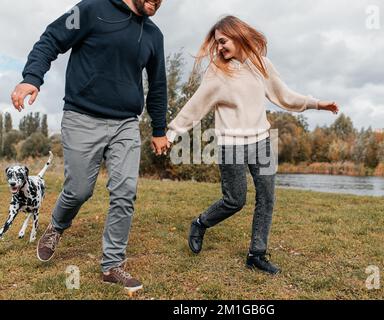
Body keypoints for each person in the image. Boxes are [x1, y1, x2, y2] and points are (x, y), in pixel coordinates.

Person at [10, 0, 168, 293]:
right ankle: (57, 225)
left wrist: (159, 129)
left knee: (125, 191)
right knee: (79, 189)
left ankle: (112, 265)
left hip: (125, 123)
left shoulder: (153, 35)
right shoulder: (92, 9)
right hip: (82, 117)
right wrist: (32, 78)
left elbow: (158, 84)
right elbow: (51, 38)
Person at [166, 15, 339, 275]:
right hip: (230, 144)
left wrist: (317, 104)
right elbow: (196, 105)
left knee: (267, 197)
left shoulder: (262, 65)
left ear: (238, 34)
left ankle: (256, 254)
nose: (220, 48)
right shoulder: (218, 71)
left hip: (262, 142)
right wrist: (171, 133)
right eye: (217, 44)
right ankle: (200, 223)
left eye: (223, 41)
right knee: (234, 200)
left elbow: (285, 96)